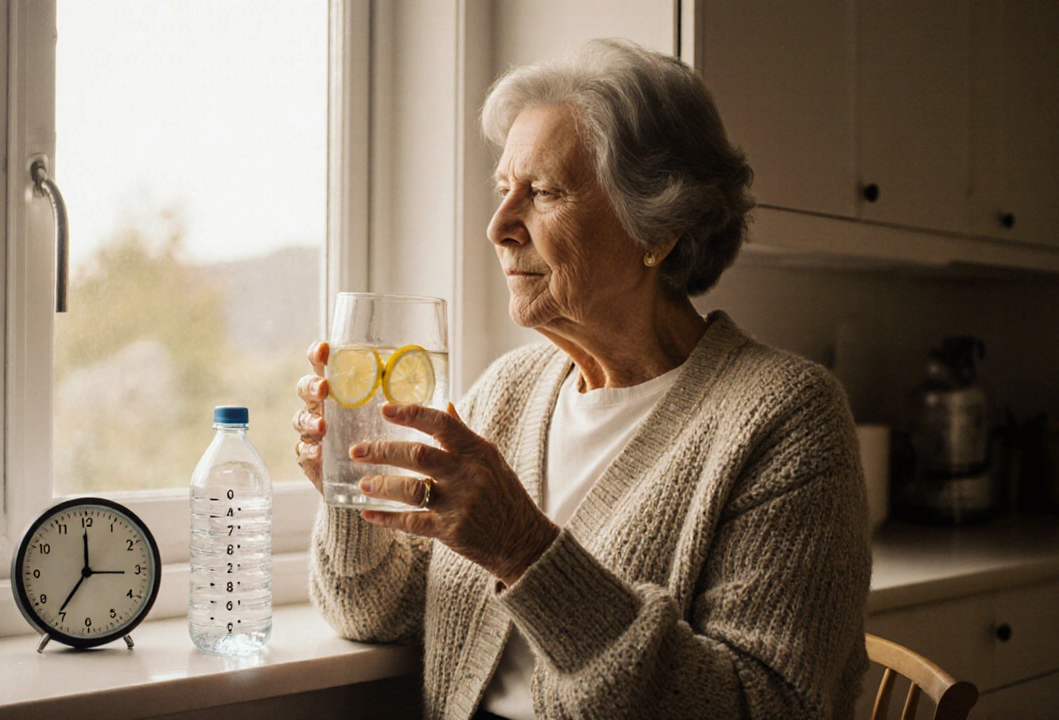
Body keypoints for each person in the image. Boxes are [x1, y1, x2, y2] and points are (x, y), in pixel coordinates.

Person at [293, 38, 870, 720]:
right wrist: (354, 481)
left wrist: (525, 551)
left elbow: (766, 708)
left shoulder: (786, 417)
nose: (499, 227)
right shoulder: (509, 392)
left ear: (659, 229)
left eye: (542, 193)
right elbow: (371, 613)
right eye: (504, 190)